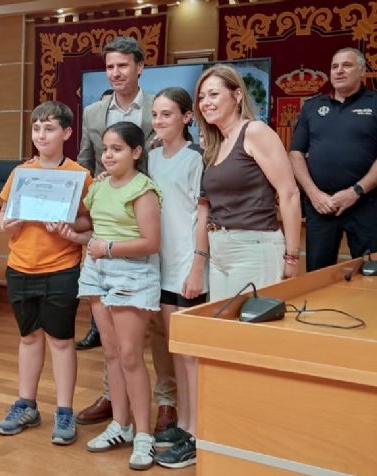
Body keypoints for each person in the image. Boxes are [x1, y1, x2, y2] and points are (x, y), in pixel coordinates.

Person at [75, 36, 177, 433]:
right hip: (109, 222)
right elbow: (86, 163)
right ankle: (112, 397)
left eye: (123, 66)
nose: (115, 73)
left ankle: (165, 400)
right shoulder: (93, 112)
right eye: (110, 67)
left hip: (151, 218)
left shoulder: (157, 109)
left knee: (156, 321)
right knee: (112, 331)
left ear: (139, 67)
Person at [63, 121, 161, 470]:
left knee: (131, 356)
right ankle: (121, 425)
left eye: (117, 149)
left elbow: (151, 242)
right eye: (105, 149)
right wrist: (59, 220)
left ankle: (144, 435)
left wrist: (108, 248)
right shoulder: (99, 186)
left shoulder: (143, 190)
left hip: (131, 273)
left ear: (136, 152)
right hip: (96, 271)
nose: (108, 155)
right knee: (112, 354)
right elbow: (88, 225)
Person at [0, 101, 93, 446]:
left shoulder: (80, 175)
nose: (41, 135)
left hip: (61, 268)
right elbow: (3, 216)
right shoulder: (21, 172)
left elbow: (88, 221)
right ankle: (26, 404)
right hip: (20, 266)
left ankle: (64, 411)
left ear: (66, 133)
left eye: (49, 128)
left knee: (61, 341)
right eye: (36, 128)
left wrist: (69, 224)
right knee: (28, 338)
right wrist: (7, 222)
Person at [289, 47, 377, 272]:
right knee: (317, 275)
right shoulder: (312, 107)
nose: (339, 71)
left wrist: (355, 192)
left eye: (347, 65)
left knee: (369, 273)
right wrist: (313, 193)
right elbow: (295, 153)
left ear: (362, 71)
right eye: (334, 66)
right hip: (321, 205)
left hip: (366, 204)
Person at [194, 64, 302, 301]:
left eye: (213, 94)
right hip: (219, 248)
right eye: (201, 97)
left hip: (253, 246)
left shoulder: (254, 131)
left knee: (248, 321)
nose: (205, 103)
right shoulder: (216, 145)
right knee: (220, 323)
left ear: (237, 95)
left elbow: (289, 193)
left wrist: (292, 256)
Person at [147, 87, 207, 468]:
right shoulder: (150, 158)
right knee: (174, 350)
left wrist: (197, 266)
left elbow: (203, 215)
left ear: (186, 117)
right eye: (155, 114)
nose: (158, 121)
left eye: (167, 114)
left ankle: (198, 430)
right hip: (160, 265)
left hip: (187, 264)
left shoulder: (196, 159)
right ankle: (183, 423)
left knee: (190, 354)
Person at [76, 88, 114, 352]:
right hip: (100, 200)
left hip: (132, 201)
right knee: (97, 272)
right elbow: (85, 159)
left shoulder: (149, 112)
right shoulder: (91, 116)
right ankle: (96, 329)